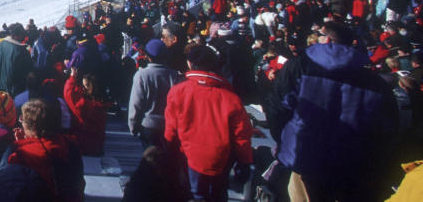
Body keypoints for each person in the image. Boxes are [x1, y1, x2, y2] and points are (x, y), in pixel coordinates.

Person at [266, 21, 399, 202]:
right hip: (351, 162)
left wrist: (285, 141)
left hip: (305, 155)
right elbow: (386, 127)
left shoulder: (299, 67)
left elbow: (277, 108)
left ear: (326, 39)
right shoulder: (374, 81)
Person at [164, 45, 253, 202]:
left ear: (190, 64)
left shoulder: (178, 91)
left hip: (189, 156)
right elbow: (242, 135)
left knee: (194, 195)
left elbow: (171, 129)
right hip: (221, 159)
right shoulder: (231, 98)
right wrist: (245, 161)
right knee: (218, 193)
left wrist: (167, 152)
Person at [128, 38, 181, 148]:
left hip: (148, 125)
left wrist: (133, 125)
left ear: (148, 56)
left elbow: (136, 103)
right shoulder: (174, 75)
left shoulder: (141, 75)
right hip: (168, 125)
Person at [0, 23, 32, 97]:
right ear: (15, 35)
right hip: (14, 92)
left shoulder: (1, 45)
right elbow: (26, 73)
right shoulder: (20, 51)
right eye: (21, 34)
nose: (23, 37)